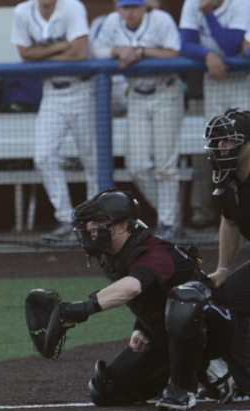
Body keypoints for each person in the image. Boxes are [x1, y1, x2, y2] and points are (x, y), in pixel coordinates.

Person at [60, 188, 233, 411]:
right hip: (168, 332)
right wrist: (140, 327)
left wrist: (81, 309)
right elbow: (150, 295)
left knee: (185, 299)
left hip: (214, 328)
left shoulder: (154, 251)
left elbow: (133, 287)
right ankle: (184, 371)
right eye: (89, 223)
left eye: (98, 222)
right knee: (105, 390)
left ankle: (189, 382)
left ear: (122, 226)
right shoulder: (111, 252)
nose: (90, 229)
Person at [91, 0, 183, 241]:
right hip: (137, 96)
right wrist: (117, 50)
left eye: (135, 6)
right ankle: (170, 213)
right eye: (125, 7)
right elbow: (96, 49)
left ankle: (168, 222)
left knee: (165, 166)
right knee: (137, 166)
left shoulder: (160, 19)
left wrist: (142, 51)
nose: (130, 12)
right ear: (117, 8)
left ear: (145, 7)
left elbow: (174, 52)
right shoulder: (111, 22)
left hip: (165, 91)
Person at [10, 0, 99, 243]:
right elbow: (24, 53)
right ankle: (67, 219)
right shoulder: (22, 12)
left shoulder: (72, 7)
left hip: (83, 89)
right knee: (44, 156)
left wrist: (41, 55)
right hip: (52, 92)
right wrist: (62, 47)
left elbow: (80, 52)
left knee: (93, 161)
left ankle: (94, 222)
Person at [179, 0, 250, 230]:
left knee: (245, 148)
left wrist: (208, 14)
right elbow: (186, 45)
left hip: (242, 81)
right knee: (217, 148)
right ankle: (227, 213)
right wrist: (208, 54)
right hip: (214, 79)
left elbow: (231, 47)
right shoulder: (192, 3)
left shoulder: (241, 3)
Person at [202, 108, 250, 402]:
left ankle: (244, 384)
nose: (222, 148)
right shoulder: (229, 178)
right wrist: (222, 268)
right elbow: (230, 221)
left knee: (233, 295)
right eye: (218, 142)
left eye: (229, 141)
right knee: (225, 292)